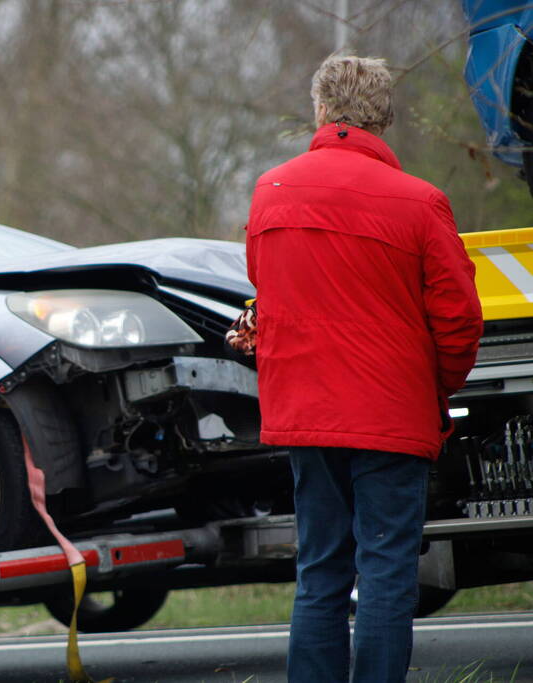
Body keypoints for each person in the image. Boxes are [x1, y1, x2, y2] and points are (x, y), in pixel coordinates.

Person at [245, 55, 483, 682]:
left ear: (321, 110)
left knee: (320, 572)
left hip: (306, 413)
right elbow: (459, 318)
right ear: (384, 118)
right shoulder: (422, 202)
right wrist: (436, 388)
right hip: (391, 417)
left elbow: (265, 289)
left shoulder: (270, 191)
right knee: (386, 572)